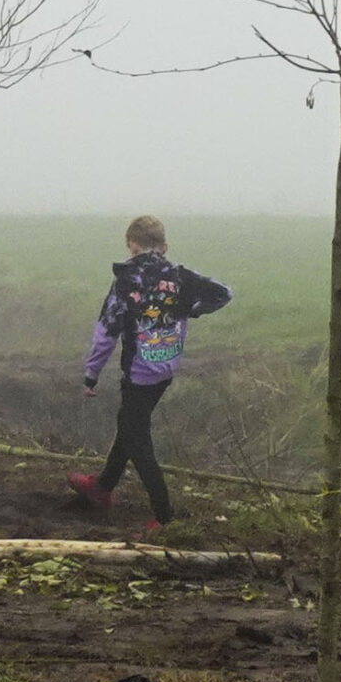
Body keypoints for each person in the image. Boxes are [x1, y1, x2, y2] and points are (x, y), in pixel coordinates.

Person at [67, 215, 232, 531]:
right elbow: (223, 293)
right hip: (166, 369)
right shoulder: (180, 276)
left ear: (131, 246)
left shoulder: (127, 281)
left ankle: (164, 514)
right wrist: (189, 308)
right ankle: (102, 487)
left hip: (139, 372)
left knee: (137, 438)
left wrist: (92, 374)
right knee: (129, 422)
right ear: (165, 246)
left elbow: (106, 331)